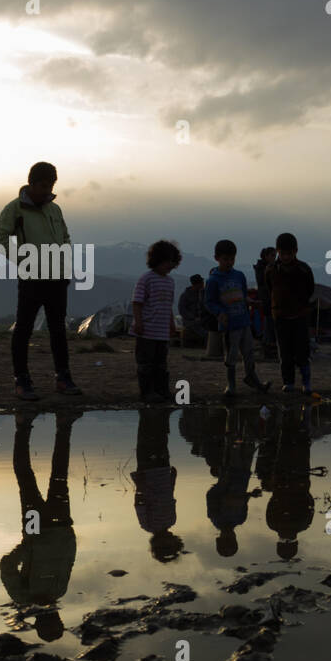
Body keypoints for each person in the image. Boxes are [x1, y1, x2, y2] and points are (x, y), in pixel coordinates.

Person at [0, 161, 81, 400]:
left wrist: (65, 261)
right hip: (32, 279)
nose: (47, 190)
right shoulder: (15, 209)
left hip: (57, 278)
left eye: (51, 185)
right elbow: (0, 238)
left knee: (58, 330)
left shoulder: (55, 209)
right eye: (43, 185)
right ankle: (22, 381)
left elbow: (65, 236)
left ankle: (63, 378)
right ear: (31, 183)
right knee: (23, 329)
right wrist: (23, 260)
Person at [0, 410, 78, 641]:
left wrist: (29, 545)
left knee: (25, 477)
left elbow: (7, 566)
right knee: (59, 475)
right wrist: (70, 535)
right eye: (58, 622)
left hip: (35, 529)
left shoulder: (23, 597)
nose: (56, 618)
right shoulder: (59, 592)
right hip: (61, 524)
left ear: (41, 622)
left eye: (52, 622)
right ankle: (64, 424)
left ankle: (22, 427)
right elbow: (68, 559)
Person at [205, 239, 268, 397]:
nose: (229, 262)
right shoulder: (213, 280)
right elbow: (209, 302)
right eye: (225, 259)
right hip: (229, 325)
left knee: (249, 353)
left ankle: (252, 378)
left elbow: (242, 296)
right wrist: (219, 313)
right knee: (231, 355)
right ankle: (231, 384)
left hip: (244, 322)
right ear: (217, 258)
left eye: (232, 259)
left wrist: (252, 303)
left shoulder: (239, 276)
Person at [266, 232, 316, 393]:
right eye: (283, 253)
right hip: (280, 316)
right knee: (285, 352)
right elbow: (269, 288)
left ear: (295, 251)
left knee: (302, 350)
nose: (286, 257)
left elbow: (310, 289)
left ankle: (306, 382)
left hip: (300, 315)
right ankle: (288, 382)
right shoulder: (271, 269)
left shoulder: (304, 269)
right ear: (278, 251)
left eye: (289, 253)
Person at [131, 406, 183, 562]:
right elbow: (169, 497)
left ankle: (146, 414)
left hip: (147, 475)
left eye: (165, 545)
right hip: (162, 473)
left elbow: (139, 505)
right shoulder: (172, 521)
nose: (168, 541)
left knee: (146, 442)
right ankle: (159, 415)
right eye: (171, 544)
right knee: (160, 442)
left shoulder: (148, 525)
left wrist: (140, 485)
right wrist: (172, 479)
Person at [132, 240, 181, 402]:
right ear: (158, 260)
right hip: (147, 331)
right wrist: (138, 323)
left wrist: (172, 324)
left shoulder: (170, 282)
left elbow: (168, 306)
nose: (171, 265)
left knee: (161, 364)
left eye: (173, 262)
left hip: (161, 333)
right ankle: (147, 392)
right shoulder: (146, 279)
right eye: (168, 261)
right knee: (146, 364)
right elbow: (137, 303)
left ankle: (162, 390)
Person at [265, 404, 315, 558]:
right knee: (286, 443)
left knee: (302, 443)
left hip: (299, 479)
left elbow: (310, 503)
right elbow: (271, 501)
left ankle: (303, 410)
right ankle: (289, 412)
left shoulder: (303, 524)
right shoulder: (272, 524)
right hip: (282, 478)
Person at [206, 408, 256, 556]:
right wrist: (250, 495)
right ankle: (248, 412)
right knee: (249, 440)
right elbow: (242, 499)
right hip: (244, 472)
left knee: (232, 439)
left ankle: (232, 412)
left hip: (230, 471)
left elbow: (212, 495)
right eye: (231, 540)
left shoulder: (216, 517)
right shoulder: (240, 519)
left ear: (219, 539)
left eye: (225, 540)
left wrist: (223, 485)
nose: (229, 536)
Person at [253, 247, 278, 358]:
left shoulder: (273, 266)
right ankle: (268, 346)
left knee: (271, 323)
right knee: (269, 323)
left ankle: (270, 346)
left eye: (275, 255)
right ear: (266, 256)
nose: (274, 258)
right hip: (267, 299)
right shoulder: (261, 268)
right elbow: (262, 282)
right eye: (272, 255)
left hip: (273, 298)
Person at [178, 274, 207, 348]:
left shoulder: (203, 293)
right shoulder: (185, 295)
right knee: (198, 327)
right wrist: (193, 317)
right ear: (197, 284)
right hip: (190, 320)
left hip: (202, 318)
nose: (203, 284)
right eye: (202, 282)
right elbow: (182, 310)